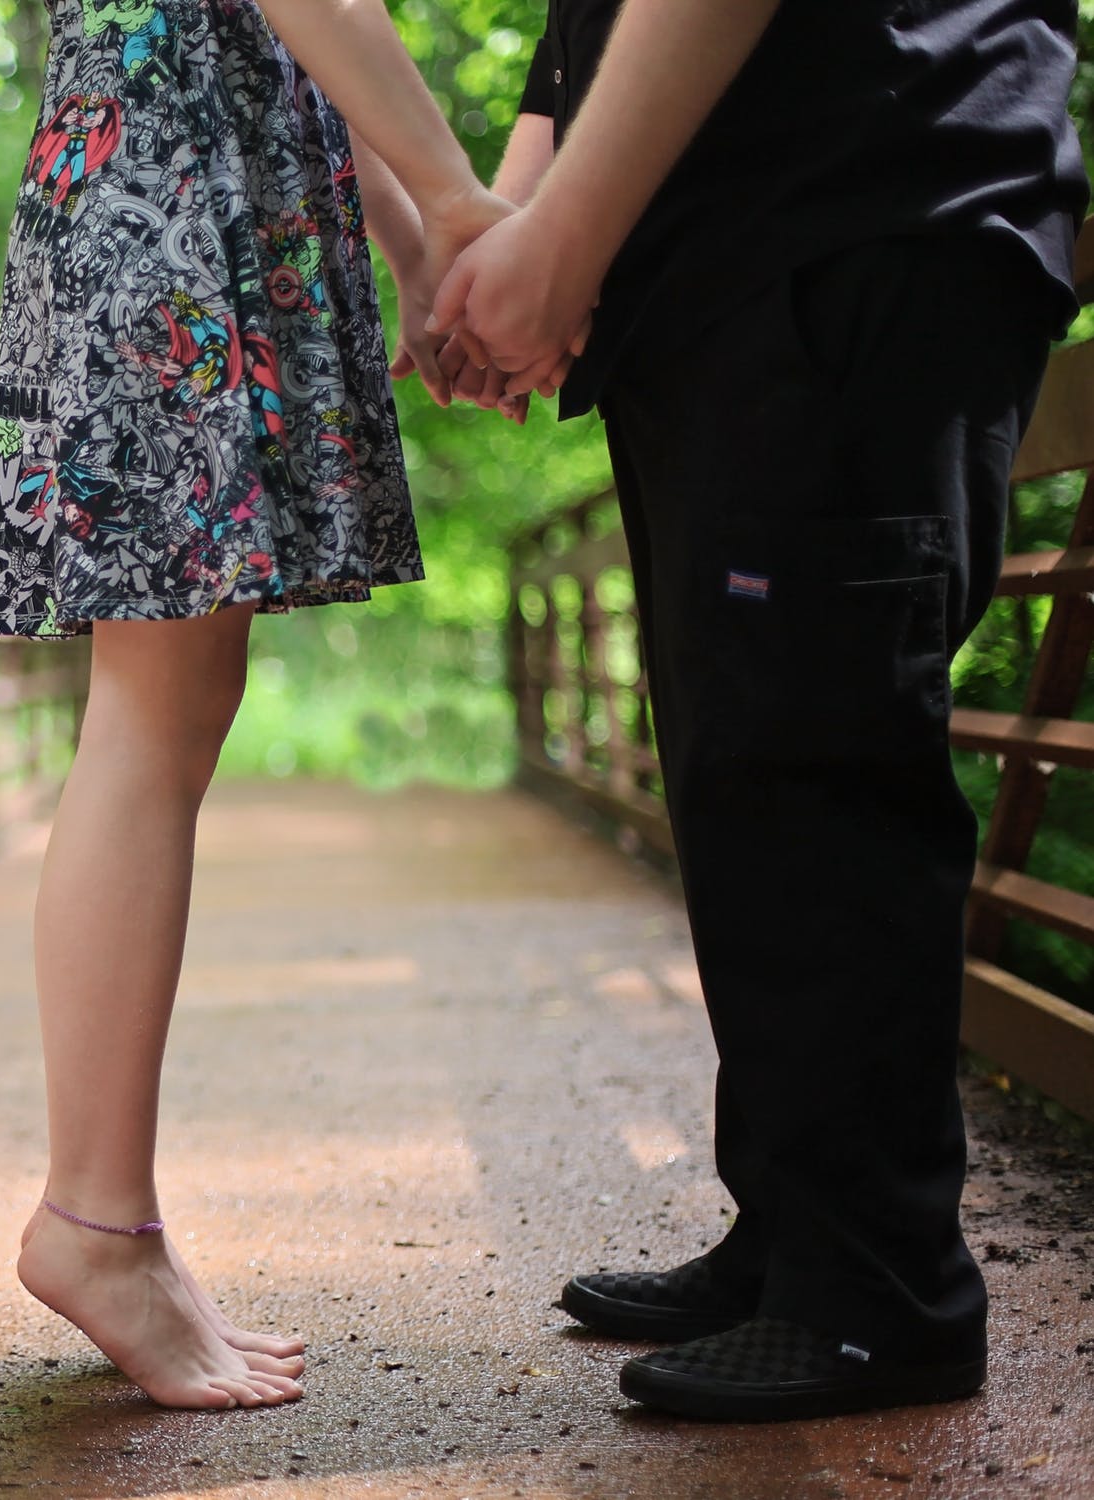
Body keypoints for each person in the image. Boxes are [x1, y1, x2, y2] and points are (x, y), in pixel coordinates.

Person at [434, 0, 1087, 1421]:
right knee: (746, 772)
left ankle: (877, 1295)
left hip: (865, 202)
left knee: (818, 759)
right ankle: (798, 1234)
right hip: (721, 257)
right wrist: (514, 230)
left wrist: (555, 238)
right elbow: (579, 37)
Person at [0, 0, 508, 1409]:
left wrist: (416, 244)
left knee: (172, 700)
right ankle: (95, 1223)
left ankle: (107, 1220)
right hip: (174, 185)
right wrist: (456, 212)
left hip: (190, 175)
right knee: (151, 710)